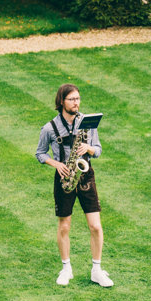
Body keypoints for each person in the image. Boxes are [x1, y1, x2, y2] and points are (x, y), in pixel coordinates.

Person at [35, 83, 112, 288]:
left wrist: (89, 148)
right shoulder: (49, 128)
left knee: (95, 226)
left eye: (78, 98)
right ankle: (66, 268)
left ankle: (97, 269)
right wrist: (56, 164)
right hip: (64, 178)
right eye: (72, 99)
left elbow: (98, 149)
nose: (76, 102)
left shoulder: (88, 122)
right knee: (65, 226)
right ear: (62, 101)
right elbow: (40, 154)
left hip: (85, 176)